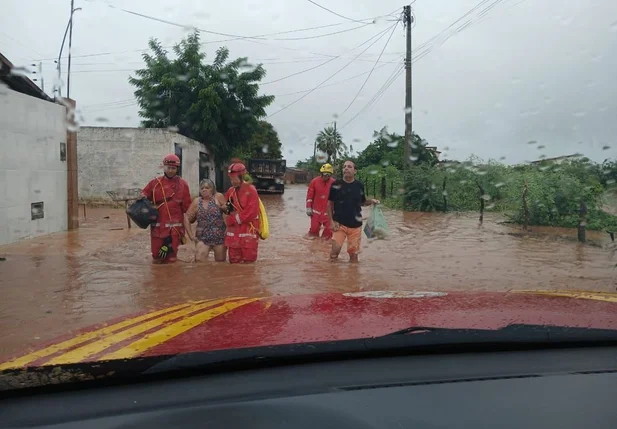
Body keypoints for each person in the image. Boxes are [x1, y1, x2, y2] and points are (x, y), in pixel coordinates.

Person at [139, 154, 192, 264]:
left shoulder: (183, 185)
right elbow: (144, 193)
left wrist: (187, 232)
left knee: (171, 259)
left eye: (173, 168)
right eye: (168, 167)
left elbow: (187, 209)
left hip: (174, 230)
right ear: (164, 167)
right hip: (157, 228)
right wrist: (142, 196)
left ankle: (172, 280)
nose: (171, 170)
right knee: (156, 257)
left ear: (177, 169)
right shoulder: (154, 183)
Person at [327, 160, 379, 263]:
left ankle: (353, 277)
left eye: (349, 167)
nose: (346, 168)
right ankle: (332, 276)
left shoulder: (359, 185)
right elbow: (329, 204)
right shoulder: (336, 184)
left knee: (354, 257)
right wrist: (331, 222)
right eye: (344, 166)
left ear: (355, 171)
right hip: (339, 224)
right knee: (334, 254)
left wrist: (372, 201)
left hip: (355, 226)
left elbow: (362, 202)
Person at [222, 162, 261, 264]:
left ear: (241, 176)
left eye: (233, 178)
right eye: (230, 179)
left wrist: (233, 220)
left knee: (249, 261)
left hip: (248, 229)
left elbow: (251, 212)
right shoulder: (230, 191)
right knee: (234, 261)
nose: (232, 181)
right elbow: (228, 209)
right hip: (233, 231)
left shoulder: (251, 190)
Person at [184, 179, 227, 262]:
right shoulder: (197, 201)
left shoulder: (218, 197)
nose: (204, 189)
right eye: (202, 188)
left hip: (219, 237)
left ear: (212, 189)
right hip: (202, 237)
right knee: (199, 262)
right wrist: (191, 236)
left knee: (220, 264)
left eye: (207, 188)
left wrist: (228, 229)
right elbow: (186, 217)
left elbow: (230, 212)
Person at [306, 163, 335, 240]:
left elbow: (338, 199)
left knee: (328, 235)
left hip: (329, 214)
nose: (326, 176)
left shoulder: (334, 183)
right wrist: (308, 207)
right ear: (321, 173)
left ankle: (324, 250)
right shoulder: (314, 182)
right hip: (316, 212)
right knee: (313, 232)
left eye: (329, 174)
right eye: (325, 174)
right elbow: (309, 196)